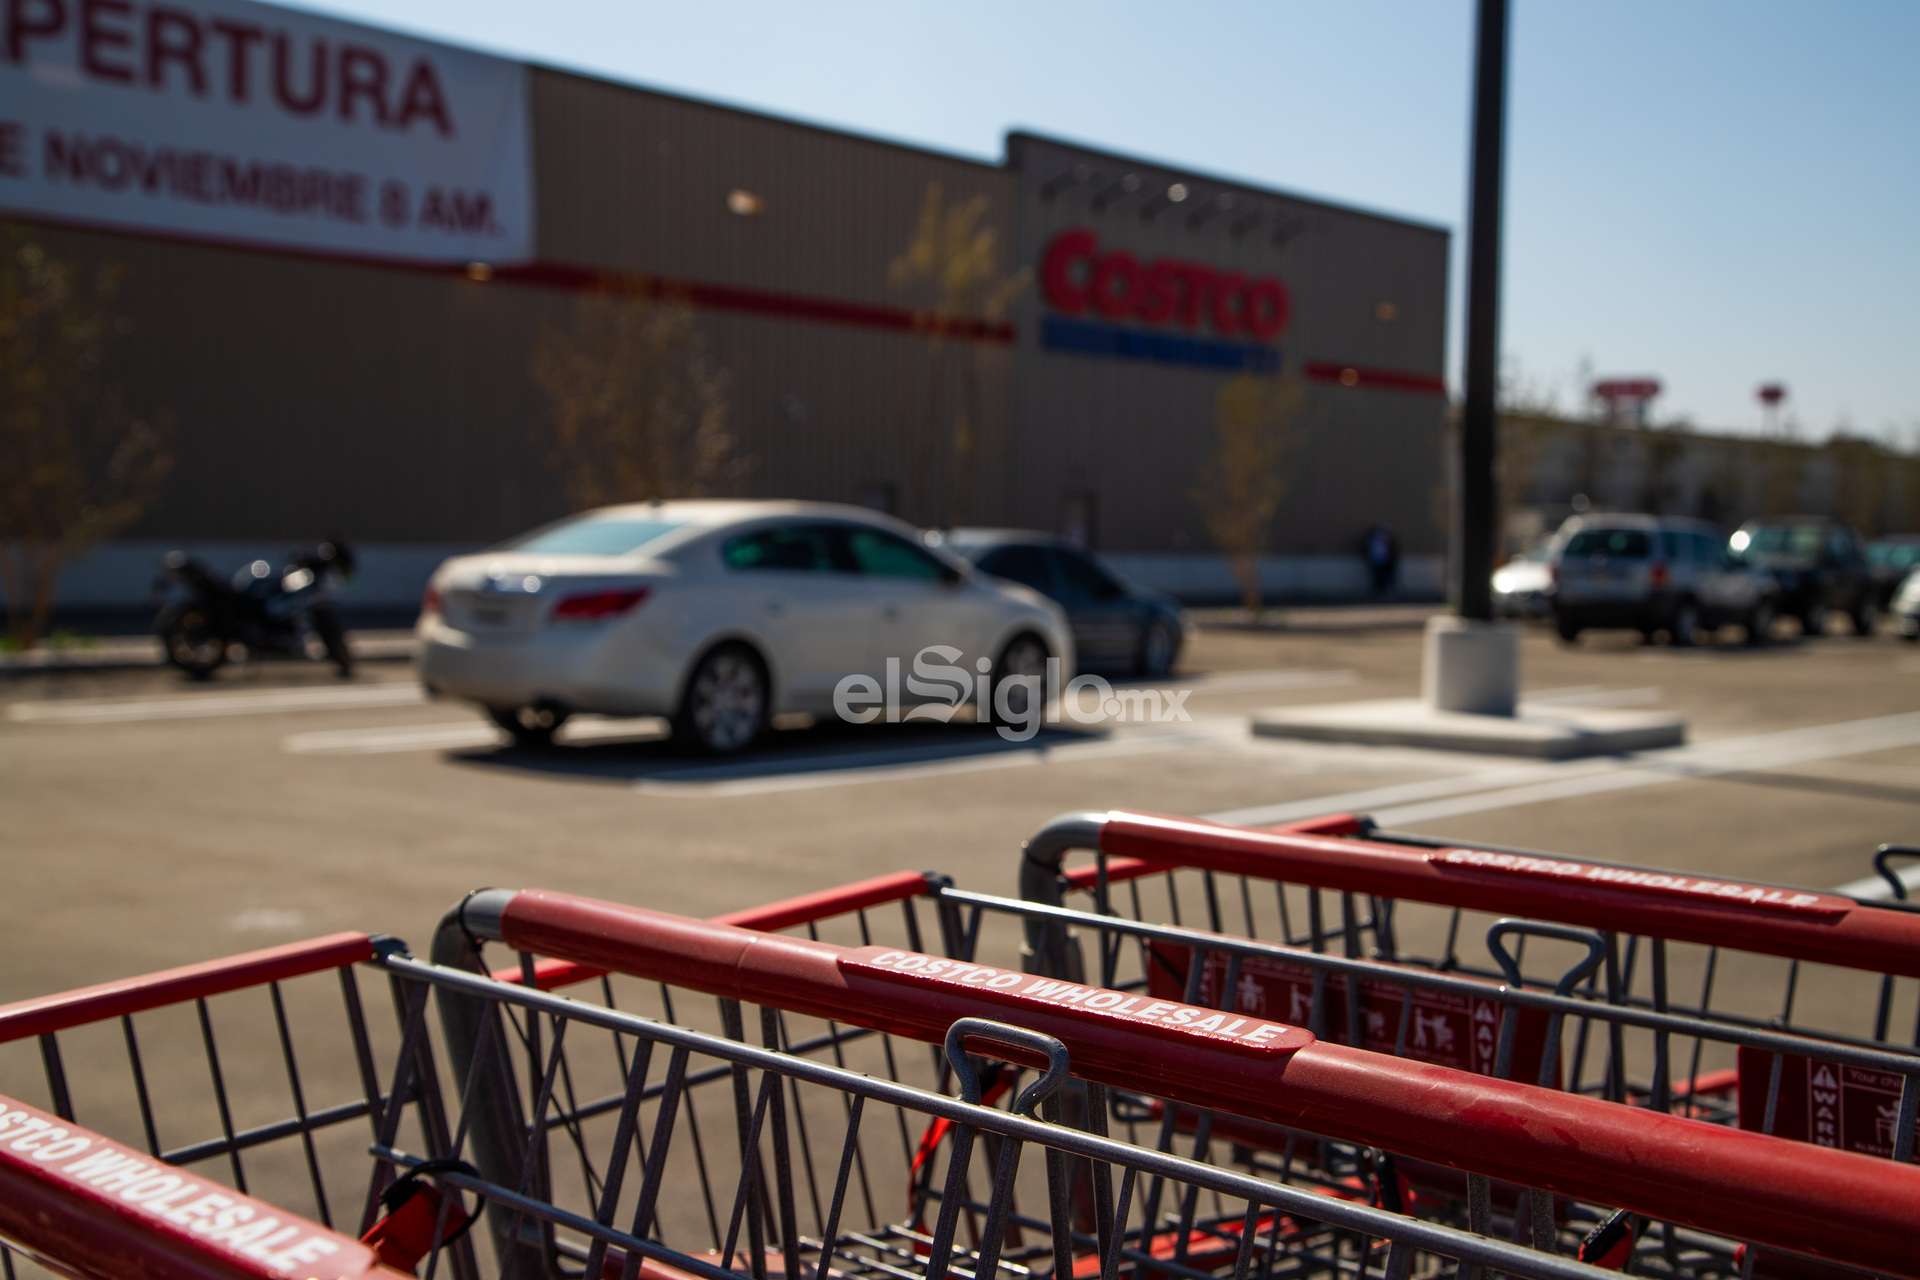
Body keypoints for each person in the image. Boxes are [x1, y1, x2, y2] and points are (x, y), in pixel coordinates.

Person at [1364, 523, 1399, 596]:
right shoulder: (1373, 539)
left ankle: (1387, 590)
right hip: (1376, 560)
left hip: (1386, 560)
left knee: (1387, 576)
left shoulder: (1387, 538)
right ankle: (1379, 591)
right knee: (1378, 576)